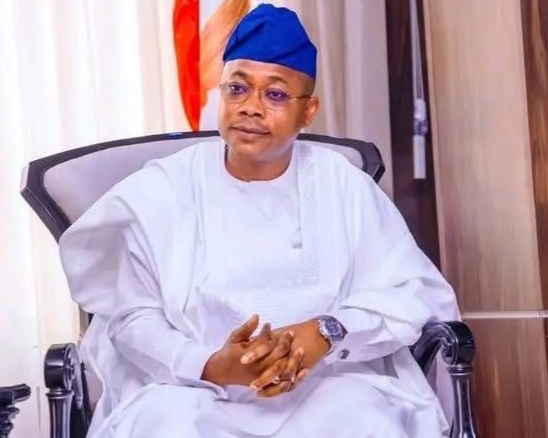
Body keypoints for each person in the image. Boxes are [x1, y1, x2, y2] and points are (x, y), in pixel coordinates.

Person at [59, 4, 459, 437]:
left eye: (275, 94)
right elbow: (132, 318)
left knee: (365, 418)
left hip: (325, 386)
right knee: (165, 423)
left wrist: (326, 332)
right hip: (192, 392)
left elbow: (408, 294)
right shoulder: (162, 189)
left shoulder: (344, 185)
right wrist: (210, 364)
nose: (250, 107)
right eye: (237, 88)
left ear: (308, 111)